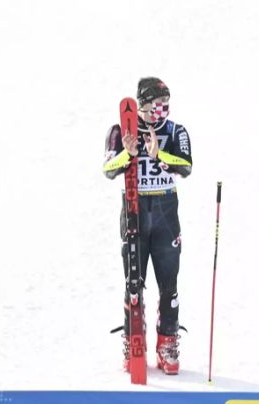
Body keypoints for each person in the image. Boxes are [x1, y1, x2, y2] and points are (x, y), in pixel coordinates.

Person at [103, 77, 192, 375]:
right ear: (142, 104)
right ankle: (133, 339)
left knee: (170, 287)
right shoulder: (120, 131)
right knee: (133, 285)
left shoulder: (176, 131)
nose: (163, 110)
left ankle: (167, 343)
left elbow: (186, 166)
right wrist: (127, 155)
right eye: (157, 104)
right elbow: (107, 169)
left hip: (166, 212)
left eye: (167, 103)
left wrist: (158, 154)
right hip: (135, 213)